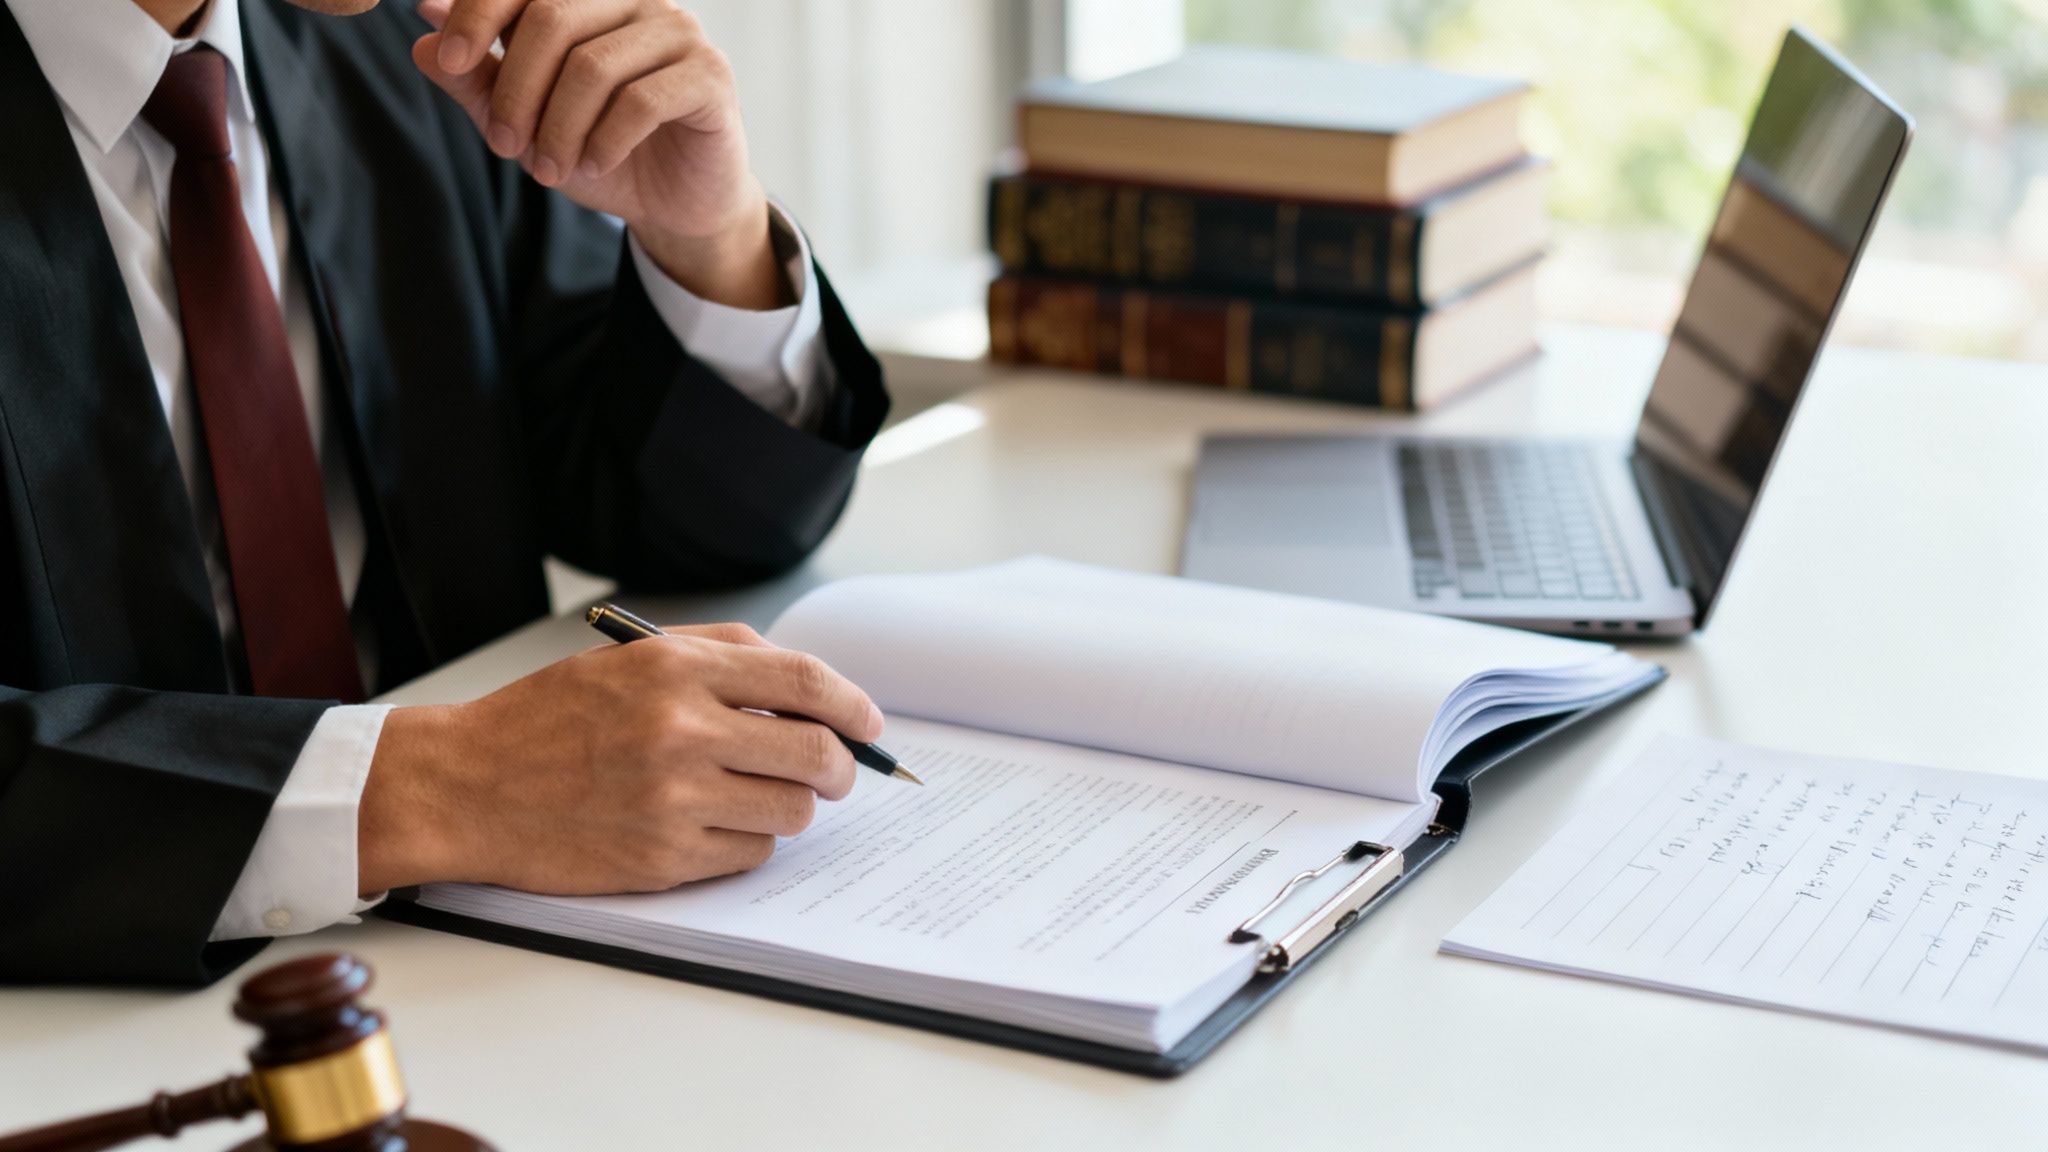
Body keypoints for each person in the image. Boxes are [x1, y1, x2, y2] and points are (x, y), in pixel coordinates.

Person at [0, 0, 892, 984]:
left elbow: (688, 530)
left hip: (494, 969)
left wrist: (709, 239)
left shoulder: (399, 51)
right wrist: (436, 786)